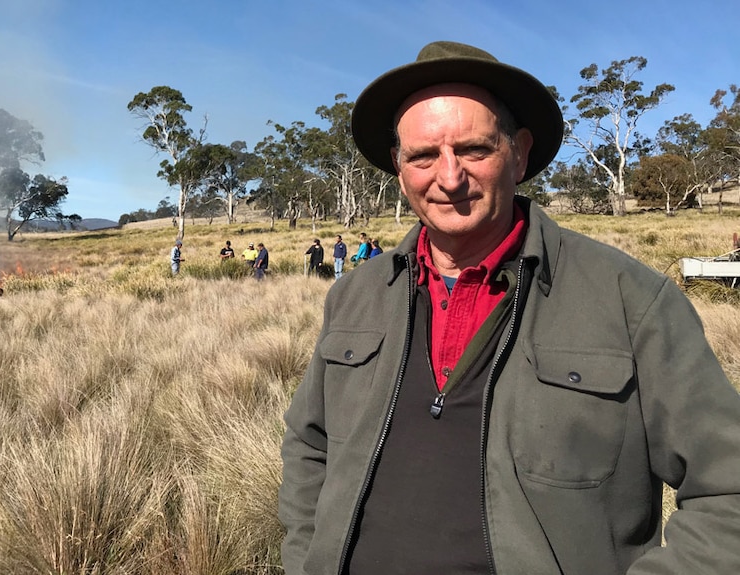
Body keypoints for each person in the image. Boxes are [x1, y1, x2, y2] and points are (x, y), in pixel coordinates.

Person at [278, 41, 740, 575]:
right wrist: (305, 559)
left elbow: (727, 488)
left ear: (519, 153)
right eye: (423, 156)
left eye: (473, 149)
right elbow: (308, 446)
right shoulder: (355, 295)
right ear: (399, 169)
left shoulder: (630, 299)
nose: (448, 178)